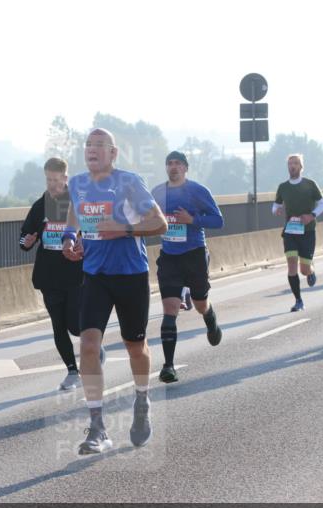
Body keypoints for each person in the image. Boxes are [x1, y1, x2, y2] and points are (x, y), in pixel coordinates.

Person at [61, 129, 167, 454]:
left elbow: (159, 224)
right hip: (95, 275)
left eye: (99, 146)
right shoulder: (78, 183)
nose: (92, 150)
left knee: (136, 347)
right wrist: (68, 238)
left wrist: (123, 229)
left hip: (130, 275)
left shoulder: (129, 182)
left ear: (113, 152)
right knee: (89, 345)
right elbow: (75, 212)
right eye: (88, 145)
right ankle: (97, 427)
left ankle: (142, 399)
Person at [151, 150, 224, 384]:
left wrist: (192, 220)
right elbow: (146, 217)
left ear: (185, 168)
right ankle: (168, 366)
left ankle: (210, 318)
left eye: (178, 164)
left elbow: (218, 220)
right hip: (169, 257)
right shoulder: (157, 193)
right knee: (170, 310)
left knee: (201, 302)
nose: (173, 167)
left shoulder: (197, 191)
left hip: (194, 254)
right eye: (169, 163)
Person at [19, 157, 85, 391]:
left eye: (57, 180)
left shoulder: (77, 203)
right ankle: (72, 372)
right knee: (58, 325)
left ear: (65, 179)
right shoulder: (40, 205)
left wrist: (81, 242)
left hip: (76, 273)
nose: (52, 184)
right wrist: (27, 241)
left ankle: (94, 347)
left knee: (76, 327)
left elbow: (93, 231)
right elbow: (24, 236)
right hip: (49, 275)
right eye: (48, 179)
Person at [272, 153, 323, 311]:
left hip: (307, 231)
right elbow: (275, 205)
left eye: (295, 163)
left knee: (304, 270)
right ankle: (298, 301)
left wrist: (312, 215)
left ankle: (311, 270)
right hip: (290, 231)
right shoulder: (283, 187)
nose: (292, 166)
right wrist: (277, 210)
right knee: (291, 264)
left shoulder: (310, 184)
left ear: (301, 167)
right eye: (290, 163)